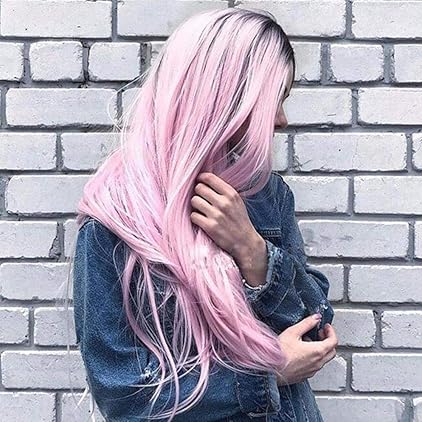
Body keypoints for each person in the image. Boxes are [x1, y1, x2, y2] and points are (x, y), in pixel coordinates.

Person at [71, 7, 338, 422]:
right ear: (226, 97)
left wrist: (253, 251)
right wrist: (268, 375)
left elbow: (315, 330)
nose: (282, 121)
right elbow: (123, 396)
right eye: (275, 99)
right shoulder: (115, 221)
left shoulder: (267, 196)